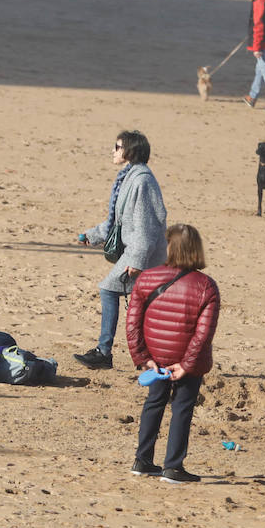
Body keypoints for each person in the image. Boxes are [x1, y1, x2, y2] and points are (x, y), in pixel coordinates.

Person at [126, 224, 220, 484]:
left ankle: (142, 460)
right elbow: (203, 334)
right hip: (185, 361)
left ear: (170, 246)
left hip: (156, 359)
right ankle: (173, 467)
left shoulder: (146, 278)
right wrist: (187, 365)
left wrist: (144, 357)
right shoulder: (206, 286)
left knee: (153, 403)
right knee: (181, 409)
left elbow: (132, 322)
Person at [74, 130, 168, 370]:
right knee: (144, 306)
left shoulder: (142, 180)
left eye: (117, 147)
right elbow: (118, 220)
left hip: (142, 253)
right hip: (137, 250)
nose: (113, 151)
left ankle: (106, 352)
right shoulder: (129, 177)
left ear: (130, 151)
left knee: (110, 290)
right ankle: (143, 356)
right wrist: (93, 235)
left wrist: (136, 260)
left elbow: (146, 225)